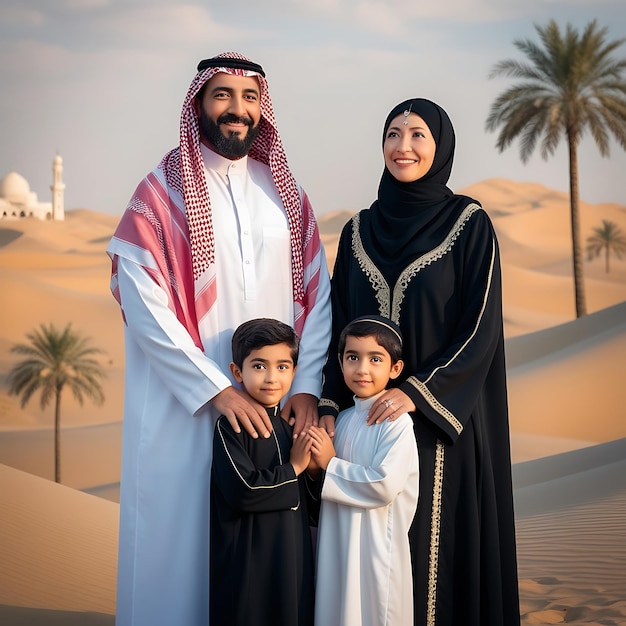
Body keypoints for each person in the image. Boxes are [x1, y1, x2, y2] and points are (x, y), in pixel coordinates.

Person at [106, 52, 331, 626]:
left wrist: (304, 386)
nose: (237, 110)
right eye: (223, 96)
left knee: (269, 546)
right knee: (181, 551)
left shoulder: (282, 192)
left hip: (274, 405)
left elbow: (317, 293)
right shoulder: (162, 193)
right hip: (187, 406)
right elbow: (142, 299)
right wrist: (215, 390)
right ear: (199, 104)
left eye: (249, 97)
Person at [318, 98, 520, 626]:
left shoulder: (469, 223)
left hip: (439, 428)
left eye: (417, 135)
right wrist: (328, 404)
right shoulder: (358, 230)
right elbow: (339, 328)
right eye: (392, 134)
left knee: (434, 564)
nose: (402, 147)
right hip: (363, 430)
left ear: (441, 146)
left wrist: (416, 393)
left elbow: (481, 328)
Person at [308, 315, 419, 626]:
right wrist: (315, 468)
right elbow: (322, 488)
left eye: (375, 359)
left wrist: (329, 464)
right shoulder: (340, 420)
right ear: (340, 363)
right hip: (336, 546)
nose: (362, 369)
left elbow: (383, 485)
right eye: (352, 357)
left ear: (395, 369)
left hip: (375, 550)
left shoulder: (396, 422)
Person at [210, 318, 319, 626]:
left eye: (283, 367)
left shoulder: (290, 428)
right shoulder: (232, 427)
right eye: (259, 366)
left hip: (291, 557)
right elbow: (243, 491)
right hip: (248, 561)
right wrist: (295, 467)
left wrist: (311, 472)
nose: (272, 378)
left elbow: (310, 505)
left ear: (295, 372)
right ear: (237, 372)